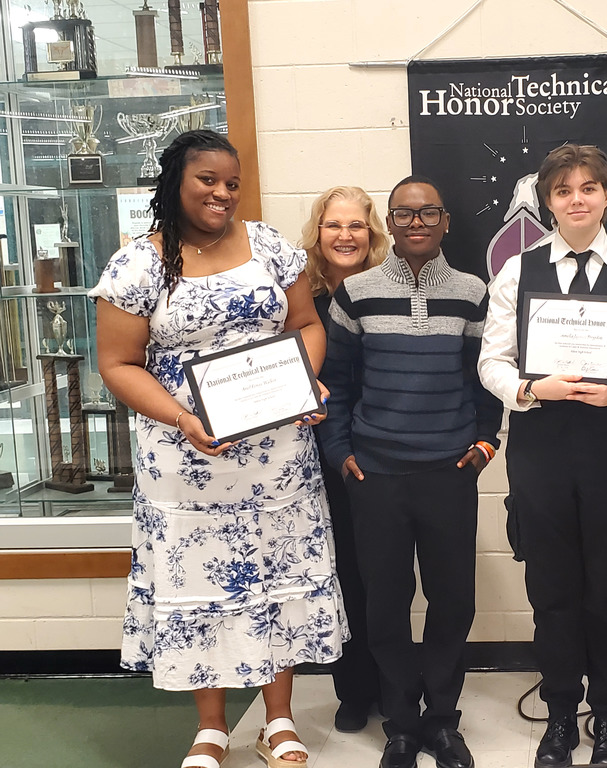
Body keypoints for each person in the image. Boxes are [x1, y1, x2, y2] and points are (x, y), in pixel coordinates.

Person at [90, 129, 347, 768]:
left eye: (232, 182)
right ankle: (211, 725)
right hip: (188, 457)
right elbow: (117, 364)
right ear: (176, 180)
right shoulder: (139, 264)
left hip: (275, 453)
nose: (223, 193)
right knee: (201, 581)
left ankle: (278, 719)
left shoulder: (268, 247)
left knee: (275, 574)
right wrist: (181, 417)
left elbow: (307, 325)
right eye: (208, 180)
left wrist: (305, 381)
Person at [478, 144, 607, 767]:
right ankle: (561, 713)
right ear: (548, 202)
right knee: (553, 591)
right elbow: (492, 362)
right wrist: (531, 389)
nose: (577, 200)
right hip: (540, 449)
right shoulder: (517, 271)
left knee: (606, 590)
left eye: (589, 188)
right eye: (564, 191)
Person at [318, 176, 503, 768]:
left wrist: (484, 444)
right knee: (385, 604)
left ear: (446, 221)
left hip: (449, 472)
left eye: (428, 213)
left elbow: (488, 381)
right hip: (376, 475)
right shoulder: (357, 294)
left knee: (453, 602)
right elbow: (337, 385)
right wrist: (341, 452)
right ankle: (400, 725)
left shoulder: (475, 293)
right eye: (404, 214)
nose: (416, 223)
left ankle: (442, 722)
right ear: (389, 224)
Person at [299, 186, 388, 732]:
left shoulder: (386, 291)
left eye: (357, 225)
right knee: (337, 571)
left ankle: (391, 679)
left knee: (380, 571)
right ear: (318, 233)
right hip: (311, 453)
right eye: (334, 225)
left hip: (375, 449)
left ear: (372, 233)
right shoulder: (298, 296)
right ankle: (354, 688)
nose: (346, 235)